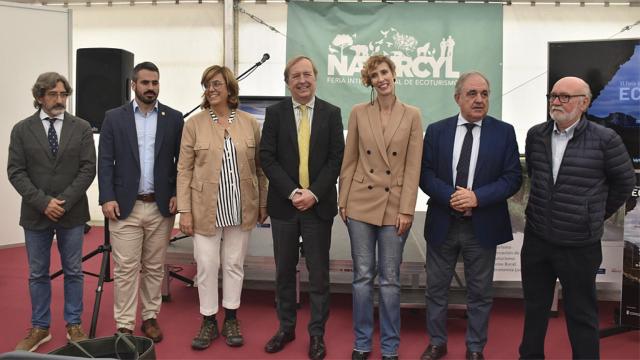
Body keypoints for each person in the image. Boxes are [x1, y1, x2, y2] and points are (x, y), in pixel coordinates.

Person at [519, 76, 634, 359]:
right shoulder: (536, 135)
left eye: (564, 97)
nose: (556, 101)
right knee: (534, 310)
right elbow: (535, 175)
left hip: (579, 244)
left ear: (584, 103)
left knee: (581, 314)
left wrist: (593, 213)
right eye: (553, 95)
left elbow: (624, 182)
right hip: (537, 240)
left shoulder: (606, 139)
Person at [419, 71, 522, 360]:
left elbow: (512, 178)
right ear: (457, 98)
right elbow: (424, 174)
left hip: (483, 226)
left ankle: (475, 348)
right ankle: (437, 343)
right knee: (436, 290)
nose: (479, 99)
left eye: (484, 94)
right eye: (472, 94)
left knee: (480, 293)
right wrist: (452, 197)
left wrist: (477, 198)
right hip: (443, 222)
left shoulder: (504, 132)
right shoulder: (437, 130)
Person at [176, 65, 268, 350]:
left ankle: (230, 317)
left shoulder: (250, 123)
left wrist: (263, 202)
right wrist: (185, 210)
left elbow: (260, 168)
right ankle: (207, 320)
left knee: (234, 264)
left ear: (229, 88)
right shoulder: (194, 124)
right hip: (205, 209)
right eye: (207, 85)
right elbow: (184, 170)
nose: (211, 89)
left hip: (241, 207)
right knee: (206, 265)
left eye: (216, 84)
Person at [259, 56, 345, 360]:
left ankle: (317, 334)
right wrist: (293, 191)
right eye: (295, 76)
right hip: (284, 206)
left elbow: (337, 159)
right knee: (284, 271)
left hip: (318, 207)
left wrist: (313, 194)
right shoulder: (275, 113)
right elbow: (266, 157)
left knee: (319, 274)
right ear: (288, 82)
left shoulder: (332, 114)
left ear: (316, 77)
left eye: (307, 74)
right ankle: (286, 328)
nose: (302, 80)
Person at [338, 55, 423, 360]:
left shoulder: (412, 114)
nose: (381, 79)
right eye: (374, 75)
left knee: (389, 280)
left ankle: (390, 347)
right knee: (362, 277)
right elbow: (350, 160)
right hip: (360, 203)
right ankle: (362, 342)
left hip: (394, 207)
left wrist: (407, 209)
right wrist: (343, 199)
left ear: (394, 74)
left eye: (384, 72)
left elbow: (413, 167)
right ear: (369, 81)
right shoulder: (359, 113)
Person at [8, 72, 96, 351]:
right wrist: (43, 202)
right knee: (37, 273)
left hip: (71, 212)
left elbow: (87, 168)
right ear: (39, 97)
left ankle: (74, 324)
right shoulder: (21, 130)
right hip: (36, 213)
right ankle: (40, 327)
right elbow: (16, 171)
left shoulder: (81, 127)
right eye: (53, 95)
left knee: (73, 270)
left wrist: (64, 201)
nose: (60, 100)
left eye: (63, 94)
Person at [98, 61, 184, 342]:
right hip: (125, 206)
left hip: (160, 207)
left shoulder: (173, 118)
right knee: (125, 268)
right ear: (133, 85)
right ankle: (124, 324)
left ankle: (149, 318)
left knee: (154, 266)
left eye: (155, 83)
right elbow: (105, 161)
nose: (151, 88)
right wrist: (107, 196)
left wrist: (177, 194)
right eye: (145, 83)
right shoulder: (114, 117)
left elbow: (181, 163)